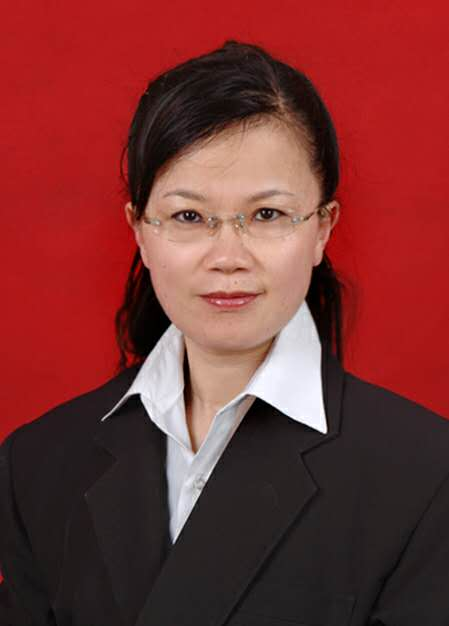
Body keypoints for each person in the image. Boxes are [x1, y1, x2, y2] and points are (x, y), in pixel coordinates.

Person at [1, 39, 448, 626]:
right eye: (189, 216)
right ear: (139, 229)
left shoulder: (426, 475)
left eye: (267, 215)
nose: (228, 257)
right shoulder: (36, 465)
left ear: (322, 228)